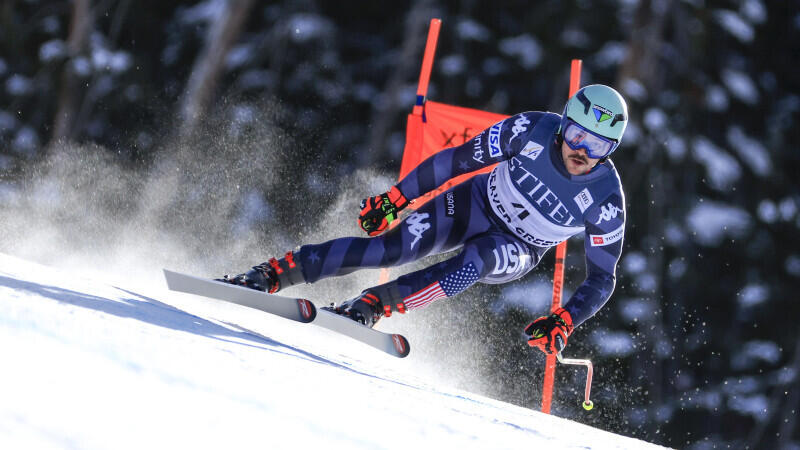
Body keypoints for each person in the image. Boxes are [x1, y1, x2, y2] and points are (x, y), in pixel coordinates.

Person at [221, 84, 628, 355]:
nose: (582, 151)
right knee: (389, 249)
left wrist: (566, 320)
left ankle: (371, 305)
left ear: (611, 149)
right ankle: (274, 272)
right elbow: (459, 159)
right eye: (577, 135)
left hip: (518, 247)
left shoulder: (606, 199)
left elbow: (602, 277)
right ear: (563, 125)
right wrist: (396, 198)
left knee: (476, 261)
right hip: (475, 203)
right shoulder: (531, 128)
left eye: (598, 145)